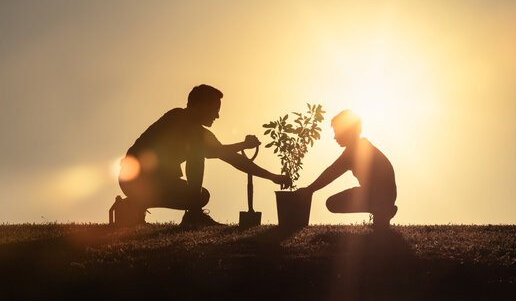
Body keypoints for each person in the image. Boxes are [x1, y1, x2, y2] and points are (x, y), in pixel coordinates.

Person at [118, 84, 291, 227]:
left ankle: (134, 206)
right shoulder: (177, 118)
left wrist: (272, 176)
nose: (217, 115)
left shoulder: (198, 133)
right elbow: (218, 152)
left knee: (202, 195)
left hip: (146, 182)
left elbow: (231, 158)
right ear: (200, 105)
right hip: (135, 179)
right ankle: (192, 215)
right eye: (215, 109)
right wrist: (243, 145)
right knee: (197, 156)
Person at [296, 110, 398, 229]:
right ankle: (383, 212)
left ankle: (383, 211)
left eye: (337, 133)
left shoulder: (354, 151)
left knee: (332, 203)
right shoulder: (361, 147)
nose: (335, 137)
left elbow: (331, 173)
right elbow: (332, 171)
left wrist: (310, 189)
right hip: (385, 195)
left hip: (379, 195)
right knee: (380, 228)